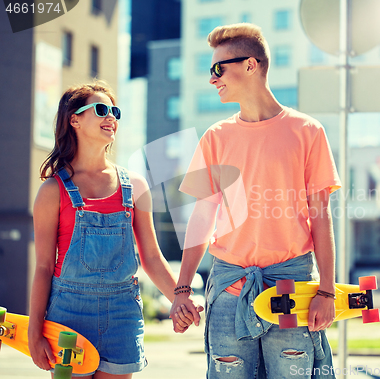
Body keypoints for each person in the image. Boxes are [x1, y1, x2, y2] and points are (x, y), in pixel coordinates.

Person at [171, 23, 342, 378]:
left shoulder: (307, 132)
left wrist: (327, 290)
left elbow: (321, 219)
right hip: (229, 290)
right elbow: (201, 220)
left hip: (291, 289)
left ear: (251, 65)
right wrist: (183, 290)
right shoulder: (215, 138)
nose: (212, 78)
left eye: (219, 68)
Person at [28, 81, 197, 378]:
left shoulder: (136, 186)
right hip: (69, 314)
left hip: (122, 315)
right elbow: (43, 266)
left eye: (115, 111)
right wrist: (35, 331)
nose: (112, 118)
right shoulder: (53, 190)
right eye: (102, 109)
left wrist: (180, 298)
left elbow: (152, 259)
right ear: (74, 119)